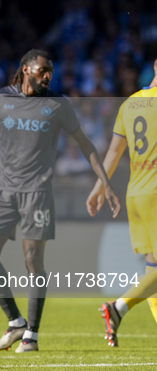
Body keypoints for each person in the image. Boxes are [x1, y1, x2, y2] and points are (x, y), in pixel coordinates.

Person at [0, 49, 121, 353]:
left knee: (32, 261)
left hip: (37, 193)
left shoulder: (57, 105)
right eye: (42, 70)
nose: (47, 75)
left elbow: (86, 144)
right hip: (1, 192)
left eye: (50, 70)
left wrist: (105, 182)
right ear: (25, 70)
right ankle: (15, 322)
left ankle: (32, 335)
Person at [88, 59, 157, 347]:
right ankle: (118, 308)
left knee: (153, 270)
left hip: (136, 193)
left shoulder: (129, 104)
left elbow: (114, 152)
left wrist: (99, 186)